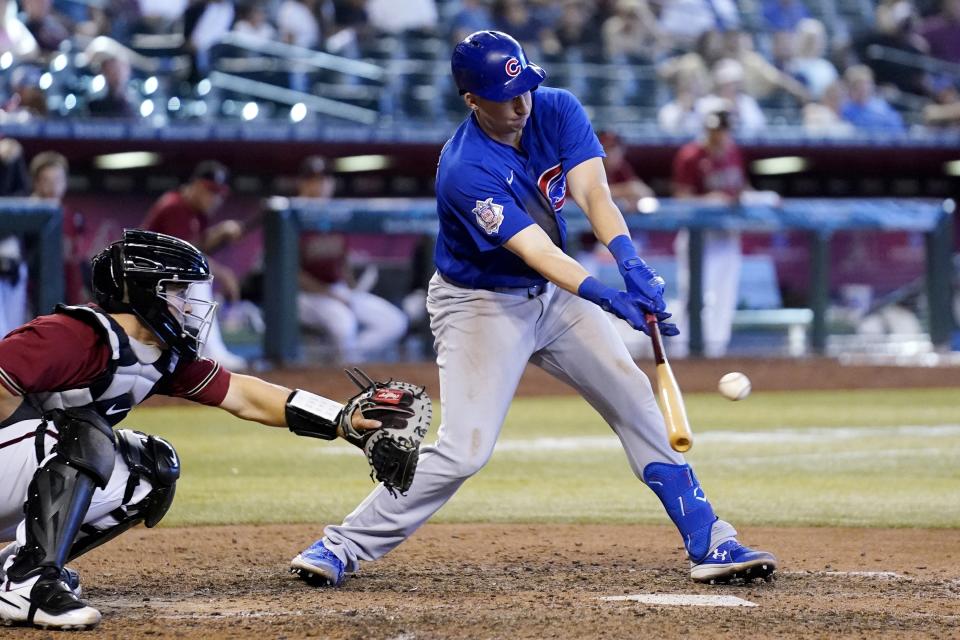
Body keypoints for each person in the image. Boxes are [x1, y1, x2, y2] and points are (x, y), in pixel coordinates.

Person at [290, 30, 776, 589]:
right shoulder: (464, 168)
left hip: (554, 296)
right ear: (472, 100)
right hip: (479, 305)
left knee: (636, 399)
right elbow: (538, 251)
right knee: (464, 450)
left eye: (525, 86)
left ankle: (710, 539)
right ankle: (341, 544)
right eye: (505, 94)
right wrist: (606, 296)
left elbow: (595, 194)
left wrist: (631, 263)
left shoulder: (557, 107)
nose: (521, 103)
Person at [0, 229, 395, 630]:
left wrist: (341, 419)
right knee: (84, 431)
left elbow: (242, 394)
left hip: (18, 469)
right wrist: (37, 428)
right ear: (143, 291)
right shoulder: (74, 334)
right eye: (177, 291)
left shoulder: (157, 353)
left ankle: (20, 565)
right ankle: (28, 584)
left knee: (151, 469)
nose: (187, 303)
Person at [295, 155, 409, 362]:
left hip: (335, 290)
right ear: (302, 183)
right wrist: (330, 294)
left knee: (395, 321)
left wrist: (351, 289)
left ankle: (339, 361)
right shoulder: (292, 215)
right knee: (344, 324)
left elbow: (342, 262)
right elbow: (291, 275)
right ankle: (343, 367)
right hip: (303, 297)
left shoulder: (335, 215)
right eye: (314, 180)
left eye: (325, 179)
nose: (321, 185)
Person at [141, 160, 248, 370]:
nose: (215, 198)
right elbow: (185, 257)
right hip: (145, 283)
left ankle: (203, 354)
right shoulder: (175, 206)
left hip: (164, 285)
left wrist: (219, 233)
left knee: (196, 277)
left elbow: (196, 247)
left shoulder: (194, 211)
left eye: (219, 193)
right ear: (197, 185)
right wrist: (224, 274)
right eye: (210, 191)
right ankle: (212, 354)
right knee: (196, 278)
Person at [671, 104, 750, 358]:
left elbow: (741, 188)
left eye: (723, 130)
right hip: (699, 237)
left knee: (725, 298)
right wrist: (712, 200)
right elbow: (681, 199)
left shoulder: (733, 153)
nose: (719, 136)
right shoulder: (691, 155)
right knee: (695, 296)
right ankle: (682, 351)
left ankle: (715, 352)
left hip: (727, 235)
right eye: (714, 130)